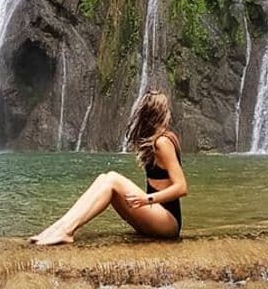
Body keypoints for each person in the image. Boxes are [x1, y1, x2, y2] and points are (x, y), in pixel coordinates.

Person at [30, 89, 187, 246]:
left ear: (148, 115)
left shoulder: (163, 142)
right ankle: (57, 228)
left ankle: (66, 231)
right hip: (156, 216)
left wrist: (147, 199)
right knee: (103, 179)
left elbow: (181, 187)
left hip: (168, 222)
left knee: (112, 178)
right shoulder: (157, 141)